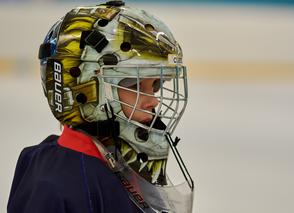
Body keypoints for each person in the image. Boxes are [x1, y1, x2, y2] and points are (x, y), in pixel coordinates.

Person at [7, 1, 194, 212]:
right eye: (134, 85)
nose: (154, 101)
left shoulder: (119, 163)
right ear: (84, 92)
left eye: (156, 86)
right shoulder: (57, 187)